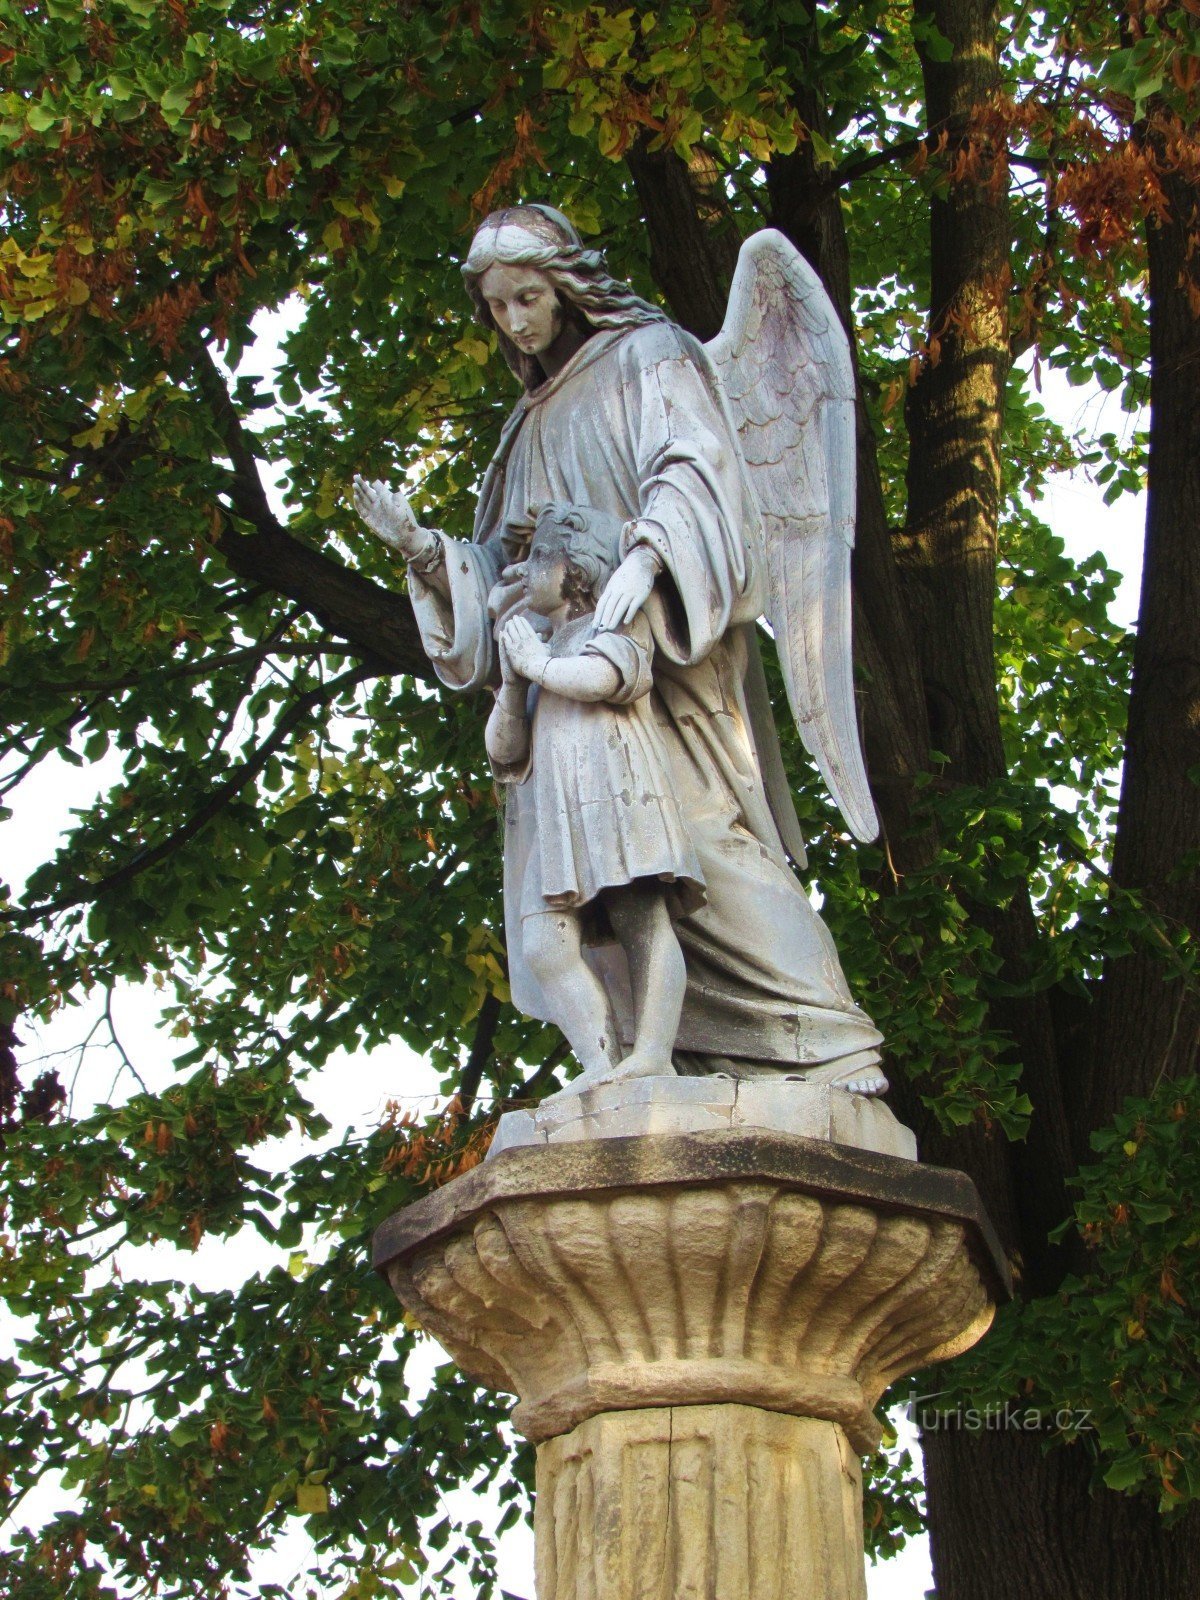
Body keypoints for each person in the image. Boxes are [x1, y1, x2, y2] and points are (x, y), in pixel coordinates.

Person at [353, 202, 884, 1092]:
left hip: (657, 662)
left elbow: (698, 473)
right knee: (585, 908)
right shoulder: (524, 425)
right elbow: (500, 570)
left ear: (566, 286)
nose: (517, 321)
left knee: (703, 849)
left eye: (529, 296)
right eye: (499, 307)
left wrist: (644, 556)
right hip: (564, 693)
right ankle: (639, 1063)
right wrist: (421, 552)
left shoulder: (650, 356)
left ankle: (826, 1040)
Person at [484, 503, 704, 1092]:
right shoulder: (539, 647)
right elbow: (504, 752)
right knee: (543, 943)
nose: (522, 572)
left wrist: (539, 664)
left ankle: (653, 1054)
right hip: (556, 813)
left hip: (616, 789)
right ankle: (602, 1067)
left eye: (537, 559)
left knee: (641, 918)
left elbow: (606, 679)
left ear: (573, 568)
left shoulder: (612, 619)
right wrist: (512, 684)